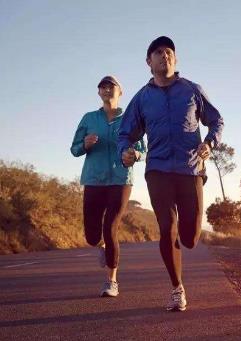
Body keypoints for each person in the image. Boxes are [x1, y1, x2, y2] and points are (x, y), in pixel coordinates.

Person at [118, 36, 224, 311]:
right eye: (157, 52)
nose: (163, 55)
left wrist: (209, 142)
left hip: (190, 169)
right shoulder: (142, 98)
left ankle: (184, 240)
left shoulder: (192, 90)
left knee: (189, 238)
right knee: (167, 227)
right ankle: (177, 288)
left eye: (168, 52)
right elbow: (126, 133)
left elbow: (216, 120)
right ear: (148, 62)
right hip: (158, 169)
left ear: (174, 59)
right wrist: (125, 151)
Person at [70, 75, 146, 297]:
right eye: (102, 87)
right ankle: (101, 245)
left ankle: (111, 281)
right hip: (94, 180)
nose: (106, 90)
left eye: (110, 86)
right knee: (92, 236)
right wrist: (84, 144)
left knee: (110, 226)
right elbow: (74, 149)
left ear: (119, 91)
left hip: (121, 180)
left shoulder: (130, 118)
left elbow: (143, 147)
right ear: (98, 93)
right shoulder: (89, 118)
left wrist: (136, 154)